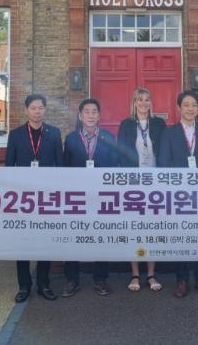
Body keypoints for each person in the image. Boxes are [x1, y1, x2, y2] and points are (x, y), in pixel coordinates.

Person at [158, 90, 198, 298]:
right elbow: (163, 163)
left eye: (194, 105)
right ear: (179, 108)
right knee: (181, 237)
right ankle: (182, 280)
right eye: (186, 105)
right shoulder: (169, 132)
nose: (190, 108)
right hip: (178, 195)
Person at [5, 94, 63, 303]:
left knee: (45, 241)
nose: (37, 111)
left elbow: (60, 165)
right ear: (26, 110)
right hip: (23, 197)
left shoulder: (54, 133)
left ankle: (43, 284)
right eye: (33, 108)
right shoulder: (16, 134)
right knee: (23, 242)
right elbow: (9, 166)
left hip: (46, 196)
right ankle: (24, 286)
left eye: (40, 108)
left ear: (45, 110)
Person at [60, 98, 118, 298]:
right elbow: (65, 168)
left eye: (94, 112)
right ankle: (72, 279)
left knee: (101, 237)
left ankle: (100, 278)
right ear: (80, 115)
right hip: (77, 197)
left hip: (102, 196)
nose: (91, 115)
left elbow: (114, 165)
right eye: (87, 112)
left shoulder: (108, 137)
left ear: (99, 116)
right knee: (74, 237)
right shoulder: (71, 139)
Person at [117, 87, 166, 292]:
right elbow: (120, 153)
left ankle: (151, 274)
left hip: (155, 183)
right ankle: (135, 274)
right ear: (134, 102)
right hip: (134, 183)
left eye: (147, 99)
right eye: (140, 99)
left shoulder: (159, 124)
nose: (144, 103)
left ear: (151, 103)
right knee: (135, 229)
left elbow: (165, 151)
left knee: (152, 229)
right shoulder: (126, 124)